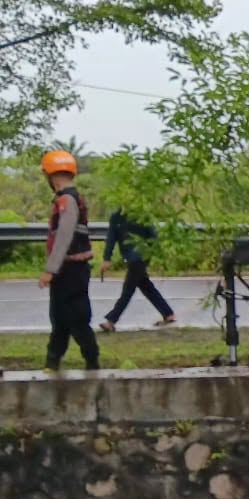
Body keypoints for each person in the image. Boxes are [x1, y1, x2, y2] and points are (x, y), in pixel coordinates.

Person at [38, 150, 100, 370]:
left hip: (71, 270)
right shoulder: (71, 198)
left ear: (50, 175)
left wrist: (50, 270)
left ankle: (92, 362)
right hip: (69, 269)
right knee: (60, 320)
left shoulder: (66, 200)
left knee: (76, 319)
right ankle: (52, 362)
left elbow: (64, 237)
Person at [100, 208, 176, 332]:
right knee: (147, 287)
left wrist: (154, 255)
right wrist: (106, 258)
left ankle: (111, 321)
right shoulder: (116, 217)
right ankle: (168, 314)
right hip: (132, 257)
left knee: (128, 290)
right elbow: (111, 239)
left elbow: (153, 235)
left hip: (141, 257)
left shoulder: (141, 215)